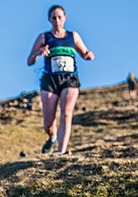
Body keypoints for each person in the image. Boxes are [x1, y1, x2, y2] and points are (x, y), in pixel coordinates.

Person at [27, 5, 95, 155]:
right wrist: (38, 53)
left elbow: (84, 53)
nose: (57, 20)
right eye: (53, 18)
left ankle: (61, 152)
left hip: (69, 79)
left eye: (59, 17)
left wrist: (88, 55)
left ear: (65, 18)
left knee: (66, 113)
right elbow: (29, 61)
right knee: (48, 123)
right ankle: (52, 138)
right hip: (50, 80)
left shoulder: (73, 36)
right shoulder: (44, 37)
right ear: (49, 20)